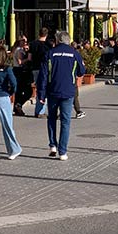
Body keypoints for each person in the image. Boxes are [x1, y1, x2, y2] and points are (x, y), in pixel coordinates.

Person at [37, 31, 85, 160]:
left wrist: (41, 94)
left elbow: (43, 76)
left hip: (53, 91)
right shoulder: (75, 54)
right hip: (68, 92)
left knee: (52, 118)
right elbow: (82, 71)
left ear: (57, 40)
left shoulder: (50, 54)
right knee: (65, 121)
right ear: (68, 40)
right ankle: (63, 151)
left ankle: (53, 145)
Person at [29, 28, 50, 117]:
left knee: (38, 88)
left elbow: (29, 57)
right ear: (46, 35)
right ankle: (40, 111)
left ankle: (39, 110)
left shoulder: (33, 44)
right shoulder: (48, 45)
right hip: (44, 69)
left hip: (35, 68)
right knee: (44, 89)